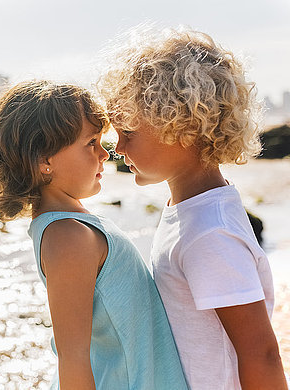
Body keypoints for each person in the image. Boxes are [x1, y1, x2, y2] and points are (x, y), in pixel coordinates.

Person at [100, 26, 288, 389]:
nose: (117, 148)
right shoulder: (189, 212)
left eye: (129, 133)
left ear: (181, 125)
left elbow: (260, 354)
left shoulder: (208, 232)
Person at [0, 80, 188, 389]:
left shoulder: (71, 227)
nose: (105, 155)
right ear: (44, 160)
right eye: (91, 143)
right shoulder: (68, 237)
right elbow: (73, 358)